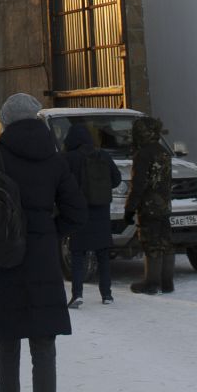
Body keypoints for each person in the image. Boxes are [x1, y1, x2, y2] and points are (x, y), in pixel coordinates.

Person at [0, 93, 83, 392]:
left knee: (8, 338)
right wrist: (49, 232)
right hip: (44, 258)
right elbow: (75, 213)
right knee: (44, 343)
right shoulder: (55, 159)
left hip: (3, 258)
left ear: (4, 122)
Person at [63, 122, 121, 308]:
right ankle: (107, 295)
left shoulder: (69, 158)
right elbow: (117, 179)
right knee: (103, 256)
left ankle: (77, 294)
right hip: (102, 211)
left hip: (79, 212)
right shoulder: (103, 155)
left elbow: (62, 183)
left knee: (78, 255)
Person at [125, 115, 173, 295]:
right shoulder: (163, 151)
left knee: (151, 243)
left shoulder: (143, 154)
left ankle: (151, 283)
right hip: (164, 205)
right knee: (166, 242)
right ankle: (167, 282)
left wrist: (129, 209)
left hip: (148, 206)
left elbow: (138, 184)